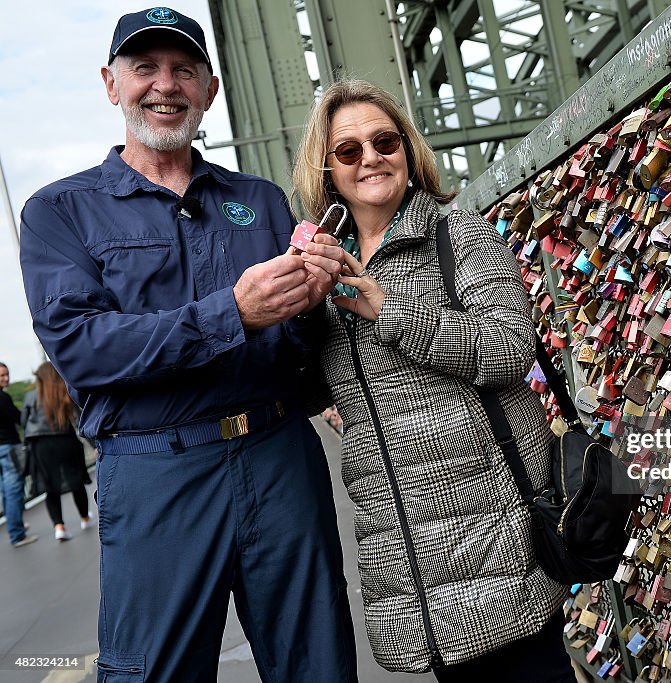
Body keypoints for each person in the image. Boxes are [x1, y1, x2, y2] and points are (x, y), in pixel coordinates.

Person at [19, 8, 357, 681]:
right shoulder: (58, 211)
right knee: (154, 671)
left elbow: (305, 360)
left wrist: (314, 301)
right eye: (145, 68)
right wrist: (234, 310)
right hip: (154, 472)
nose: (164, 85)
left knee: (317, 664)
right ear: (111, 84)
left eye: (184, 70)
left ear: (211, 88)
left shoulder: (261, 202)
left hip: (279, 457)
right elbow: (84, 347)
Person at [291, 78, 573, 681]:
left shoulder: (457, 234)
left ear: (408, 149)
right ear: (327, 170)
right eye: (348, 151)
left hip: (495, 543)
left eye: (384, 141)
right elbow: (317, 382)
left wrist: (388, 310)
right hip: (410, 569)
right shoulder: (324, 265)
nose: (370, 158)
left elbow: (509, 348)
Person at [21, 362, 93, 542]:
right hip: (65, 441)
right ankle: (84, 518)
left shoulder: (31, 397)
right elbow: (80, 421)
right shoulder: (65, 393)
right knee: (75, 480)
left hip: (41, 445)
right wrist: (95, 445)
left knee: (49, 486)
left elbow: (24, 422)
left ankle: (59, 527)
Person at [1, 361, 38, 548]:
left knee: (5, 493)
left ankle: (16, 526)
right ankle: (17, 534)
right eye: (2, 376)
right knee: (14, 491)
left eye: (7, 374)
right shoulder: (3, 398)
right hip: (9, 449)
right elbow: (19, 419)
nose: (6, 378)